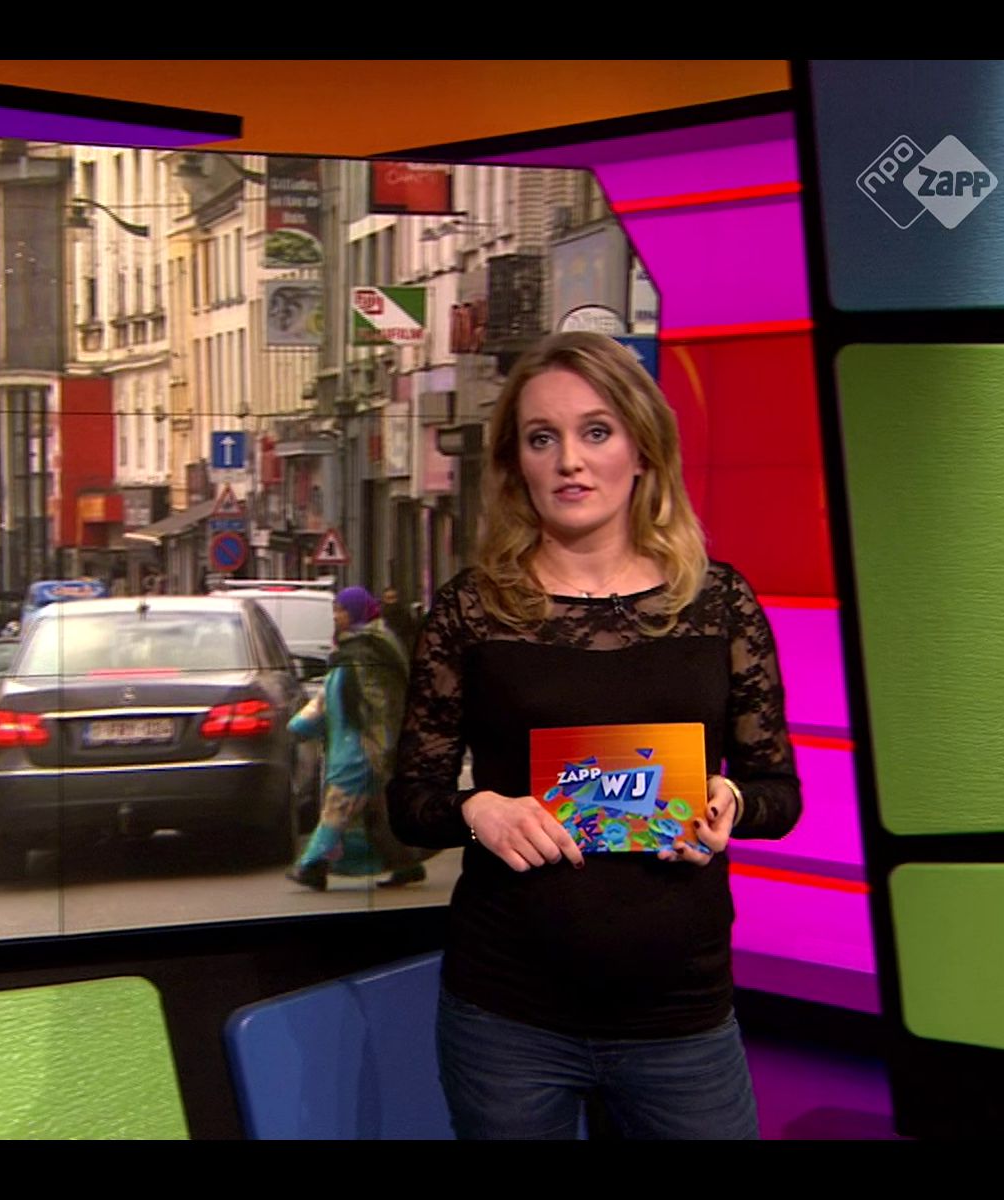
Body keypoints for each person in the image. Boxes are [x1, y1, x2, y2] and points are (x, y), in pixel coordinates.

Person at [387, 330, 802, 1141]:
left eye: (596, 431)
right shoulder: (471, 611)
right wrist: (478, 810)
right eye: (542, 438)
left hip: (680, 1018)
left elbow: (778, 793)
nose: (569, 461)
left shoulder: (721, 604)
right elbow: (411, 801)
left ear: (642, 450)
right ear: (517, 463)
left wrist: (731, 802)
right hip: (507, 1016)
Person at [287, 586, 426, 890]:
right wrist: (300, 724)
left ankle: (311, 864)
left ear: (356, 612)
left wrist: (383, 745)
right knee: (377, 810)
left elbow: (382, 703)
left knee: (339, 804)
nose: (336, 616)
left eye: (341, 610)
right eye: (335, 610)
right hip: (350, 743)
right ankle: (405, 863)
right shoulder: (351, 648)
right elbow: (330, 694)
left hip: (364, 746)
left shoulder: (371, 650)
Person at [380, 586, 421, 652]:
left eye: (393, 598)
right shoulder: (380, 615)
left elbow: (412, 632)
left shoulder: (405, 614)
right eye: (388, 598)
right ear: (384, 599)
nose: (391, 601)